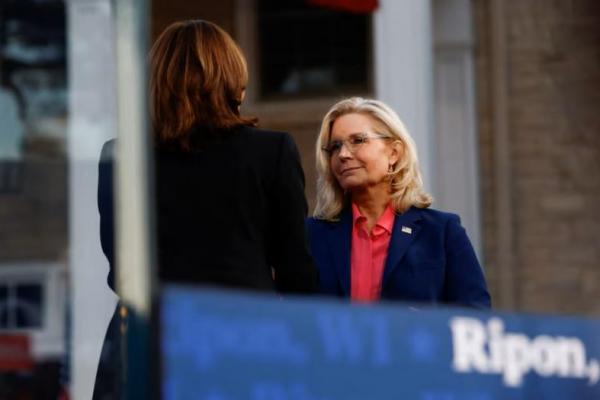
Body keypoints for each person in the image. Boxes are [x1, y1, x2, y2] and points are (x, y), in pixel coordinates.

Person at [95, 20, 317, 398]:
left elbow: (121, 272)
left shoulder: (119, 156)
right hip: (245, 339)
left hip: (150, 340)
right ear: (231, 80)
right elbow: (297, 271)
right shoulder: (272, 151)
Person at [306, 97, 490, 309]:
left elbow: (474, 314)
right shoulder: (311, 235)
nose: (344, 155)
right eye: (335, 147)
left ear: (394, 152)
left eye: (358, 140)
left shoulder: (441, 232)